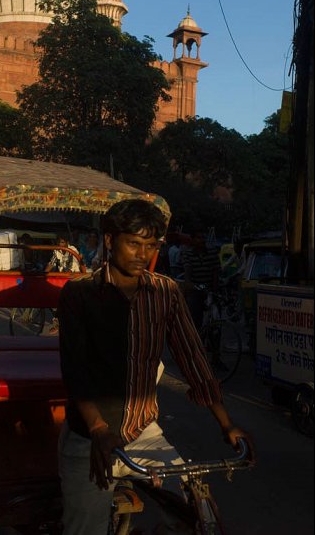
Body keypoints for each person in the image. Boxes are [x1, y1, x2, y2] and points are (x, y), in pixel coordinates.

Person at [57, 199, 254, 535]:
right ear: (109, 240)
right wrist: (98, 428)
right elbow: (75, 371)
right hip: (89, 438)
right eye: (134, 243)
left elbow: (194, 359)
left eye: (150, 246)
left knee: (196, 510)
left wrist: (227, 424)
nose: (142, 254)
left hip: (142, 433)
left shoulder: (166, 291)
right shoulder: (80, 293)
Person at [182, 227, 221, 330]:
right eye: (198, 238)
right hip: (196, 288)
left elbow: (216, 272)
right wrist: (197, 287)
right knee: (195, 318)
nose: (202, 240)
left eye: (203, 237)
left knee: (216, 320)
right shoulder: (188, 254)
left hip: (211, 288)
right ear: (193, 239)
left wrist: (214, 290)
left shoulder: (212, 252)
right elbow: (187, 275)